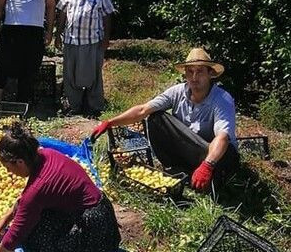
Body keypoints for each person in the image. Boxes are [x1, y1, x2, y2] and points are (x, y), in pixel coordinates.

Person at [0, 123, 120, 252]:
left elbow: (18, 231)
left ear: (19, 162)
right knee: (38, 216)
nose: (8, 172)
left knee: (30, 234)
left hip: (91, 227)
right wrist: (5, 219)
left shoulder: (37, 188)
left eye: (8, 167)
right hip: (101, 212)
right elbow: (25, 200)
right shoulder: (46, 155)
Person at [91, 47, 239, 191]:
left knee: (219, 166)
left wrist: (208, 165)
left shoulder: (221, 99)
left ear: (209, 74)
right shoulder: (178, 92)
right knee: (156, 117)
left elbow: (223, 137)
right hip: (191, 149)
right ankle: (179, 168)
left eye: (200, 71)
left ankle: (207, 174)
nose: (194, 77)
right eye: (190, 71)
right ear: (185, 74)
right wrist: (110, 122)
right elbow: (143, 110)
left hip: (215, 155)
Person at [55, 0, 115, 116]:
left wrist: (106, 38)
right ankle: (73, 106)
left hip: (92, 40)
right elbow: (62, 12)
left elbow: (107, 14)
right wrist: (58, 34)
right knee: (70, 75)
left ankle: (94, 107)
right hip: (71, 40)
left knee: (93, 75)